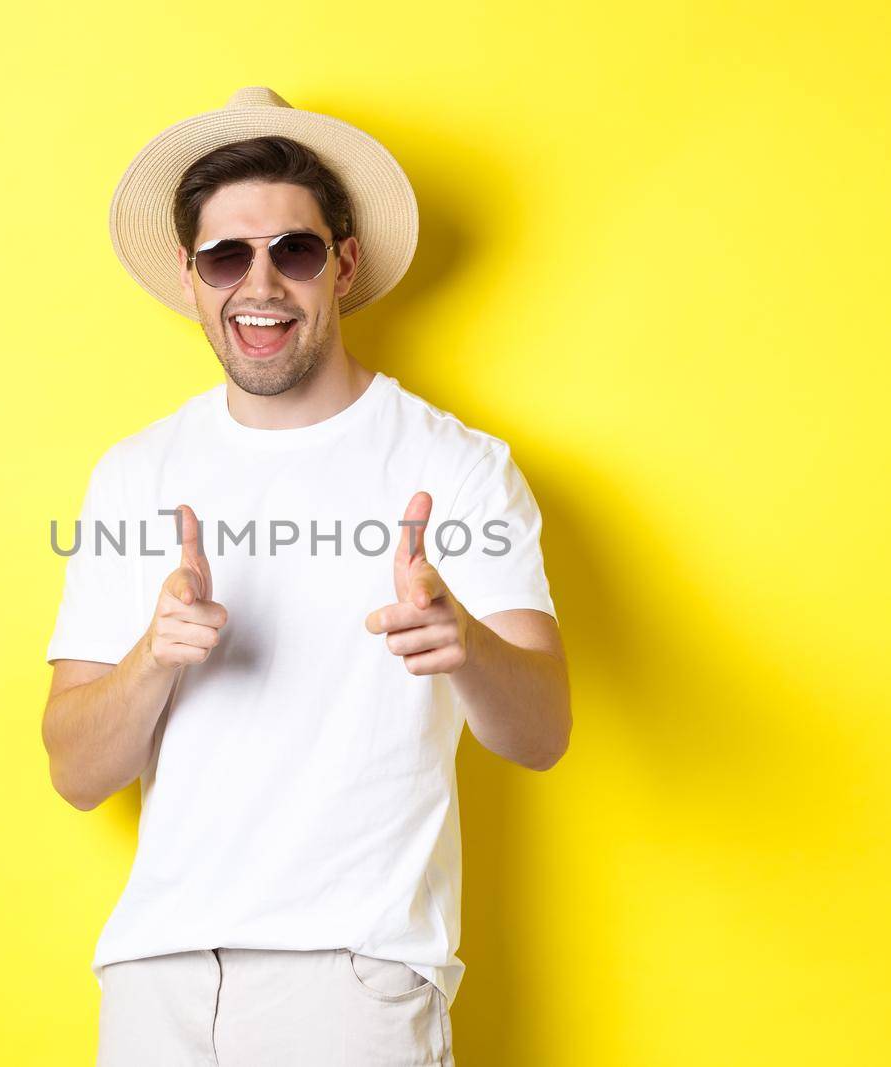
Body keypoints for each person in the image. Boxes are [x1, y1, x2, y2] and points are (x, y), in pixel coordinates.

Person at [42, 86, 572, 1066]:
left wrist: (467, 643)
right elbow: (77, 770)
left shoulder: (455, 465)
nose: (261, 284)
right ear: (191, 276)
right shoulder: (135, 472)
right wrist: (153, 660)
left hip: (353, 973)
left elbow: (540, 732)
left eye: (292, 249)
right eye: (225, 256)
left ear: (343, 262)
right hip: (157, 975)